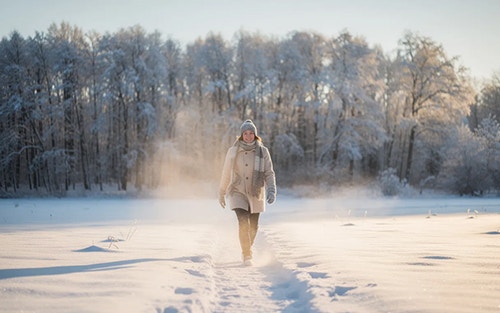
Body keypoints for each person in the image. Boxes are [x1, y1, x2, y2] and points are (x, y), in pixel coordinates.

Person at [219, 119, 276, 266]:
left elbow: (269, 173)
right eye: (246, 133)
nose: (248, 136)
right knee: (243, 221)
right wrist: (221, 191)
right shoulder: (233, 152)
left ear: (255, 135)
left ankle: (247, 247)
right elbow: (226, 172)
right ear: (241, 135)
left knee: (253, 226)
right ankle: (246, 254)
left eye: (251, 133)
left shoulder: (263, 151)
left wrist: (271, 189)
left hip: (256, 192)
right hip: (237, 191)